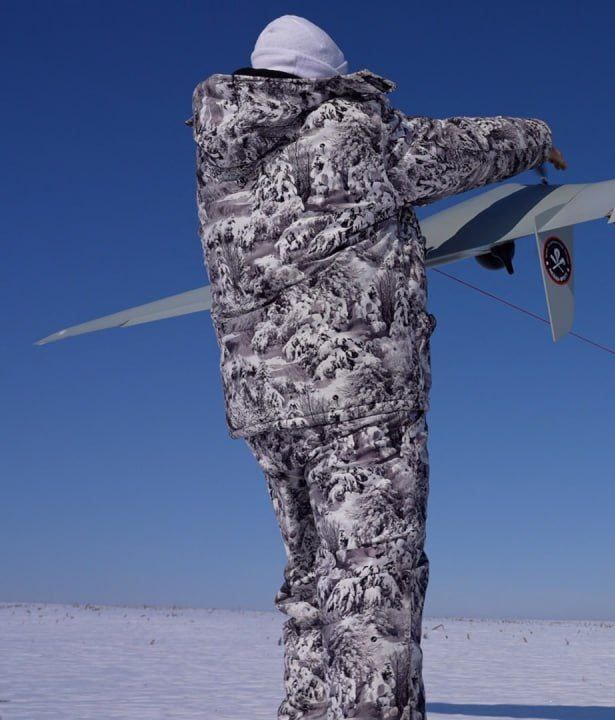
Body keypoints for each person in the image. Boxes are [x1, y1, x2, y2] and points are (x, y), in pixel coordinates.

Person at [189, 15, 565, 719]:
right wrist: (538, 136)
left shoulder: (220, 157)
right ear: (325, 80)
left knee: (312, 586)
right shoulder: (349, 131)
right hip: (355, 399)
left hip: (265, 407)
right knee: (371, 599)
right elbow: (457, 151)